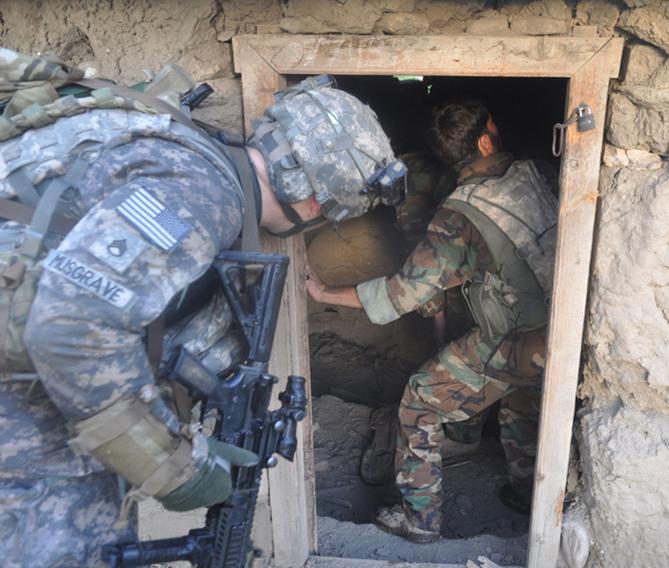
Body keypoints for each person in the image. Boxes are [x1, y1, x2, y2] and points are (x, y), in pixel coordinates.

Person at [0, 49, 399, 567]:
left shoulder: (181, 148)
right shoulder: (202, 190)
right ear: (319, 203)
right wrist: (175, 467)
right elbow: (73, 325)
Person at [306, 98, 558, 542]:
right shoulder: (538, 173)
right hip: (564, 329)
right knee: (523, 393)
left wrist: (323, 292)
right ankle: (524, 490)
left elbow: (401, 293)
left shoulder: (459, 215)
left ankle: (420, 520)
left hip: (523, 337)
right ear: (485, 140)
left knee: (421, 399)